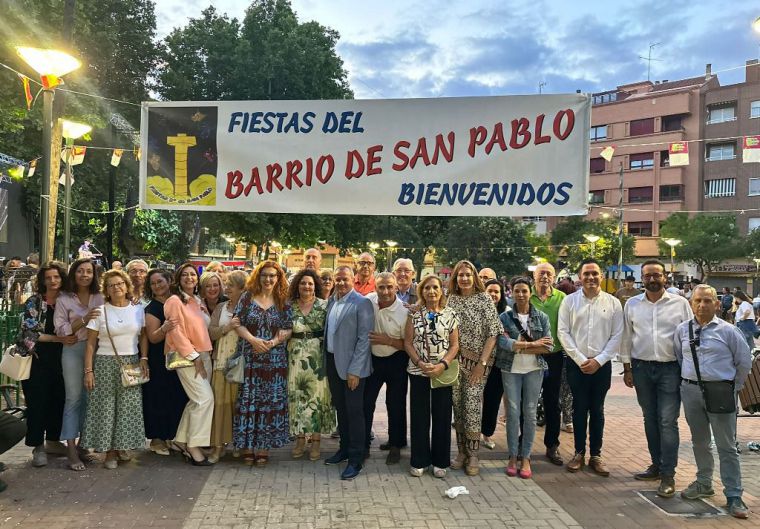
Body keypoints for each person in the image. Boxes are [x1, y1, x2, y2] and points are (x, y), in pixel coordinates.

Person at [674, 285, 752, 519]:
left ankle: (734, 494)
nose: (702, 305)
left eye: (708, 300)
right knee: (700, 442)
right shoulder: (682, 330)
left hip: (721, 391)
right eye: (698, 300)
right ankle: (704, 482)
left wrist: (732, 387)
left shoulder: (729, 331)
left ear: (717, 304)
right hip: (690, 390)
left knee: (727, 446)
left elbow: (744, 362)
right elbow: (680, 357)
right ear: (691, 303)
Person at [621, 259, 693, 498]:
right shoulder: (632, 305)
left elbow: (689, 337)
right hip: (641, 368)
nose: (652, 279)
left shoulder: (681, 304)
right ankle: (656, 464)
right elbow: (627, 338)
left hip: (671, 369)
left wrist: (689, 369)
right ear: (642, 278)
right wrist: (627, 368)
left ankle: (668, 473)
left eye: (657, 275)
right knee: (649, 418)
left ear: (665, 277)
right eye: (648, 275)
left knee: (667, 421)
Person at [558, 258, 623, 476]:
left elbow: (617, 335)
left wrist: (599, 360)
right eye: (586, 274)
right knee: (579, 408)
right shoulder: (569, 302)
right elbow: (563, 333)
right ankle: (578, 453)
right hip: (577, 365)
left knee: (597, 410)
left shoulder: (613, 303)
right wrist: (580, 359)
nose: (591, 277)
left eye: (595, 273)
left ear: (601, 276)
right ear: (579, 277)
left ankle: (596, 455)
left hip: (601, 366)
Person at [81, 270, 148, 469]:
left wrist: (144, 358)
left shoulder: (138, 309)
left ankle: (121, 446)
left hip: (132, 362)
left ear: (127, 286)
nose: (116, 287)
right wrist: (88, 371)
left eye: (120, 283)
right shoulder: (100, 311)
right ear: (106, 290)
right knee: (106, 408)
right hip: (105, 363)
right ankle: (109, 452)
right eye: (111, 285)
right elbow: (91, 344)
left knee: (128, 407)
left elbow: (143, 336)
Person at [233, 261, 293, 466]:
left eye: (272, 276)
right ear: (258, 277)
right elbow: (237, 323)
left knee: (270, 403)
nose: (268, 279)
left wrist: (273, 342)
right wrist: (253, 340)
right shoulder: (247, 298)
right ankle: (248, 447)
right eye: (264, 275)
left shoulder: (283, 300)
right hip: (250, 358)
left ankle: (264, 447)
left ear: (278, 279)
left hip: (275, 360)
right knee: (250, 402)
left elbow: (288, 328)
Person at [447, 260, 502, 476]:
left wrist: (482, 364)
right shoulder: (452, 300)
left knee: (472, 408)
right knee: (458, 407)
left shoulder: (484, 299)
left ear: (474, 277)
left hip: (478, 364)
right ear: (455, 278)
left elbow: (493, 333)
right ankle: (461, 452)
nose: (464, 278)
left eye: (468, 275)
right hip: (455, 363)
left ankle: (474, 454)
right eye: (460, 275)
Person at [16, 262, 73, 468]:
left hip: (64, 358)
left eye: (56, 277)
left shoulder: (69, 301)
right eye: (48, 277)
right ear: (42, 280)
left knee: (59, 400)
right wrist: (58, 339)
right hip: (38, 359)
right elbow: (29, 333)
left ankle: (54, 441)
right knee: (37, 402)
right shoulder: (34, 302)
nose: (52, 281)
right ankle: (37, 445)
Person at [497, 276, 554, 479]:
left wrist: (519, 346)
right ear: (511, 292)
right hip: (510, 369)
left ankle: (526, 457)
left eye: (524, 291)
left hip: (534, 370)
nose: (520, 294)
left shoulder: (542, 317)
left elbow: (548, 346)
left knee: (529, 413)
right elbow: (502, 343)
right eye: (516, 291)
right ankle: (513, 455)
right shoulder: (504, 318)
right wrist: (532, 345)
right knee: (512, 412)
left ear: (530, 293)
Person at [404, 274, 459, 478]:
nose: (431, 291)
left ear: (441, 290)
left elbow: (455, 345)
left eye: (435, 287)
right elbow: (407, 342)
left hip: (442, 372)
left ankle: (440, 461)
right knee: (419, 417)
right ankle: (419, 460)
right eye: (427, 288)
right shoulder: (414, 315)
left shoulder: (450, 314)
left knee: (442, 417)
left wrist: (443, 365)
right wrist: (419, 362)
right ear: (422, 291)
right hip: (418, 371)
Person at [323, 266, 374, 480]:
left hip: (353, 369)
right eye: (338, 279)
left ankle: (356, 458)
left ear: (353, 280)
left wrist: (355, 370)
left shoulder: (362, 303)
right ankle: (344, 449)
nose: (342, 283)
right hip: (333, 363)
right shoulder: (332, 301)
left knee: (354, 413)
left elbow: (364, 339)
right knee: (341, 410)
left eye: (345, 279)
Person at [54, 257, 104, 471]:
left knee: (89, 398)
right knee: (73, 398)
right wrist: (83, 321)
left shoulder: (100, 297)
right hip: (74, 350)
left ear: (94, 275)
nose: (85, 275)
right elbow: (61, 329)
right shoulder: (64, 298)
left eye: (89, 272)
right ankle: (71, 449)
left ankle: (84, 444)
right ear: (74, 273)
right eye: (80, 271)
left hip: (98, 351)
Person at [164, 263, 215, 466]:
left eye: (192, 274)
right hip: (187, 356)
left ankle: (182, 440)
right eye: (184, 274)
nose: (189, 278)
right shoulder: (174, 300)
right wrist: (194, 358)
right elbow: (176, 333)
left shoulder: (195, 300)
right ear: (178, 278)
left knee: (196, 401)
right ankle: (194, 446)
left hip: (204, 354)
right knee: (204, 400)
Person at [286, 268, 334, 461]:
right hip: (295, 356)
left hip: (317, 359)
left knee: (318, 399)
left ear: (316, 286)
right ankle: (299, 439)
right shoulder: (289, 306)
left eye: (310, 283)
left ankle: (315, 441)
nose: (306, 286)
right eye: (303, 283)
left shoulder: (325, 306)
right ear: (297, 285)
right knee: (297, 398)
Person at [363, 273, 410, 465]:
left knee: (396, 404)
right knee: (366, 403)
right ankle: (363, 444)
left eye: (389, 287)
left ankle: (396, 445)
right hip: (373, 360)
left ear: (396, 287)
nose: (385, 291)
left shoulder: (405, 311)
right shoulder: (367, 302)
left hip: (397, 360)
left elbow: (409, 344)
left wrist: (388, 340)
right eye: (381, 287)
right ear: (375, 287)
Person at [143, 269, 187, 456]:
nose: (157, 286)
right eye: (153, 283)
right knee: (157, 398)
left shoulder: (178, 301)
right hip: (159, 359)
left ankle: (172, 435)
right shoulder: (152, 308)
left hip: (178, 357)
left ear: (169, 281)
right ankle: (157, 439)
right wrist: (164, 328)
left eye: (160, 281)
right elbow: (152, 338)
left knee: (176, 396)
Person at [530, 262, 568, 466]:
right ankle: (523, 443)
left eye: (549, 274)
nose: (544, 276)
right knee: (527, 401)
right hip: (529, 356)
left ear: (554, 277)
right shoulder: (526, 295)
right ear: (534, 276)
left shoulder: (562, 298)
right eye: (541, 273)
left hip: (553, 357)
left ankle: (552, 445)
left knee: (553, 402)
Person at [207, 270, 245, 463]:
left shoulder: (248, 307)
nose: (226, 288)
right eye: (226, 284)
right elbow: (211, 332)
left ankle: (238, 444)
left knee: (238, 405)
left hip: (240, 363)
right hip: (221, 362)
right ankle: (218, 446)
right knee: (220, 406)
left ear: (240, 287)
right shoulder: (221, 307)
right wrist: (227, 327)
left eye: (230, 285)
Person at [481, 278, 508, 450]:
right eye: (489, 291)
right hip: (477, 362)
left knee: (492, 400)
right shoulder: (477, 311)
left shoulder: (507, 314)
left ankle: (487, 434)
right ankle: (471, 434)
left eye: (496, 292)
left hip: (498, 364)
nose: (493, 294)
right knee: (473, 399)